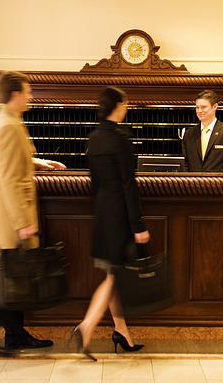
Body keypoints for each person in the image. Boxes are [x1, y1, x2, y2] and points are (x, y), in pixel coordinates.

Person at [0, 71, 66, 356]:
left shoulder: (1, 121)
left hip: (3, 212)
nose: (31, 96)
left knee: (13, 275)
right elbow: (9, 178)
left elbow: (13, 160)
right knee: (11, 276)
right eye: (27, 92)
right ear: (14, 94)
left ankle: (15, 335)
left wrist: (39, 161)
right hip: (9, 216)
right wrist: (22, 223)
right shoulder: (8, 126)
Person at [72, 86, 150, 361]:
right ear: (117, 105)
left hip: (102, 213)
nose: (127, 106)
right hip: (119, 215)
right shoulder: (121, 138)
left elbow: (94, 182)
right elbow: (129, 185)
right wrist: (138, 224)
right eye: (125, 103)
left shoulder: (93, 138)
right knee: (115, 274)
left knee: (112, 273)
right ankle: (87, 326)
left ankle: (122, 332)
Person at [181, 89, 223, 172]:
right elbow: (185, 166)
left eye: (203, 107)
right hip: (193, 184)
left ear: (215, 107)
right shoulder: (189, 134)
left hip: (220, 184)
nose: (199, 111)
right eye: (197, 107)